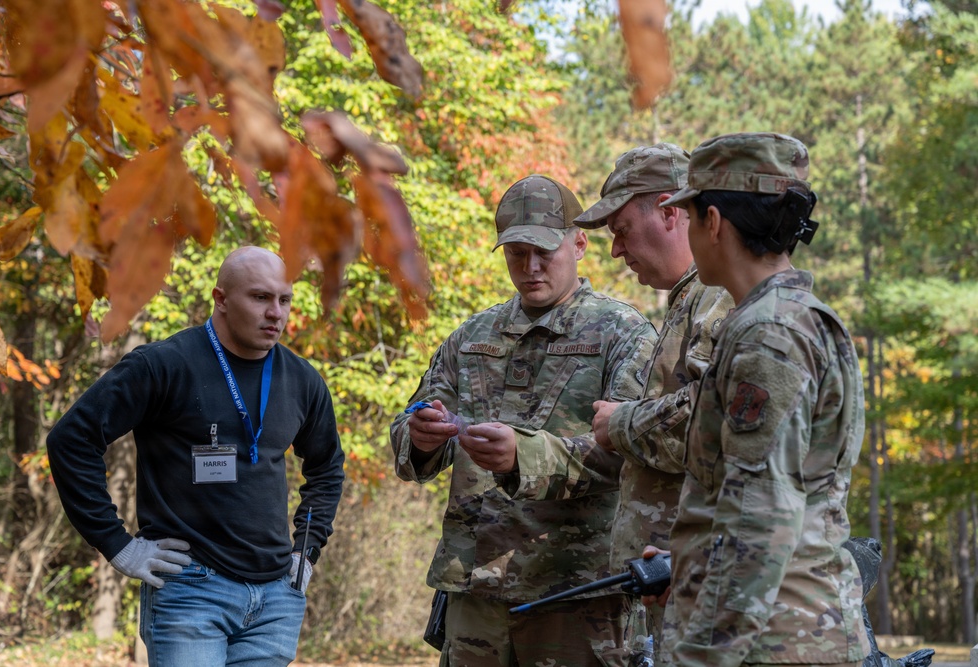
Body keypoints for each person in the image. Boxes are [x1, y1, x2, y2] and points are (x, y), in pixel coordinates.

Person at [389, 174, 657, 667]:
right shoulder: (473, 336)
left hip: (576, 591)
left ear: (578, 245)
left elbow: (633, 454)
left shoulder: (624, 334)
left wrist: (523, 456)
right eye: (516, 254)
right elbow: (410, 436)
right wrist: (421, 436)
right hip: (476, 591)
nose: (530, 268)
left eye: (543, 252)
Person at [489, 144, 734, 662]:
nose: (617, 250)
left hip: (707, 580)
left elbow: (716, 421)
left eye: (621, 229)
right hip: (671, 577)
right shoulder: (688, 302)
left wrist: (623, 422)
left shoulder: (719, 297)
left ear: (670, 210)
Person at [46, 246, 345, 666]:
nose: (276, 313)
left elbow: (327, 467)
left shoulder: (302, 380)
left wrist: (306, 551)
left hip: (277, 597)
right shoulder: (164, 365)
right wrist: (118, 545)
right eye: (260, 298)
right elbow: (70, 440)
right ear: (220, 299)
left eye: (285, 299)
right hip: (191, 589)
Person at [655, 132, 870, 667]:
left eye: (688, 216)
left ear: (713, 222)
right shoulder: (781, 319)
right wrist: (691, 560)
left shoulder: (768, 333)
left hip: (772, 642)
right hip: (782, 630)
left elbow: (761, 519)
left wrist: (700, 656)